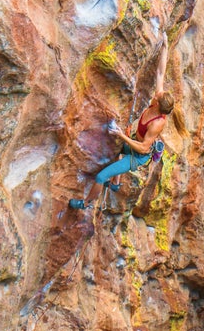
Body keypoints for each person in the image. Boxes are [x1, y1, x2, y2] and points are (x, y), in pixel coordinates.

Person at [69, 35, 182, 209]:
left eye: (157, 97)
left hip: (137, 157)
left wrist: (123, 135)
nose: (156, 94)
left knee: (100, 177)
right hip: (134, 143)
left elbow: (144, 148)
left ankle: (85, 203)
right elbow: (161, 72)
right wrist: (165, 46)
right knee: (113, 146)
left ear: (158, 105)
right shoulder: (158, 102)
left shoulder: (157, 123)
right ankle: (115, 183)